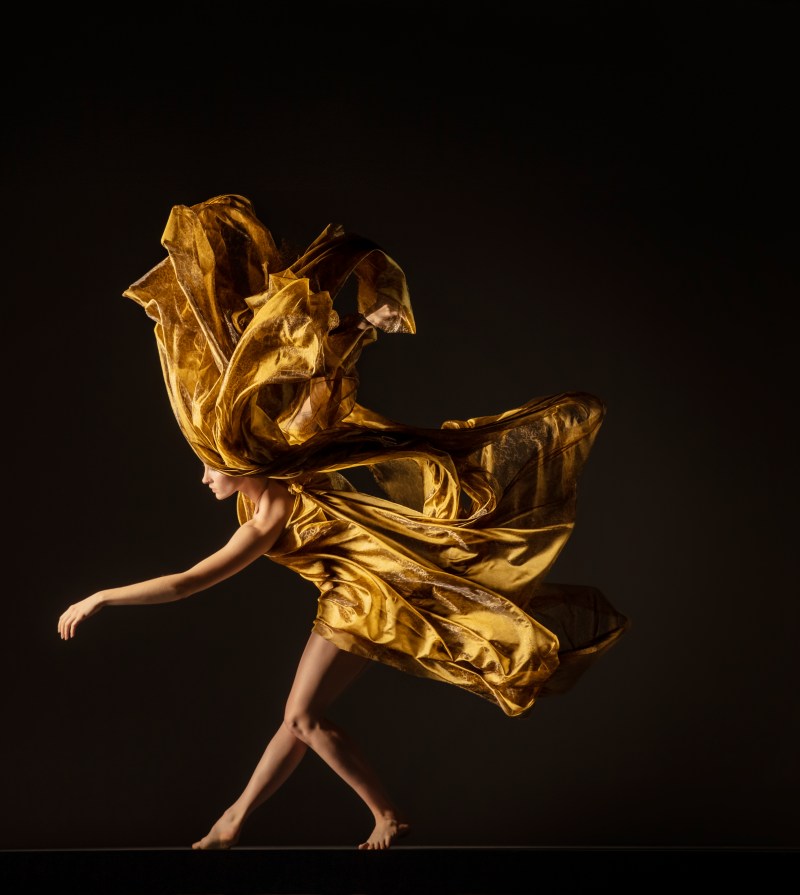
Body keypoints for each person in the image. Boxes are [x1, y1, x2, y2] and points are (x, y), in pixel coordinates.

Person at [58, 194, 629, 851]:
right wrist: (362, 327)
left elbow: (189, 582)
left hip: (365, 598)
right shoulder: (284, 464)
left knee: (300, 715)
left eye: (211, 467)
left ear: (240, 466)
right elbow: (316, 388)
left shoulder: (269, 510)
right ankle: (233, 821)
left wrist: (102, 595)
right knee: (299, 717)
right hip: (358, 593)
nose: (204, 477)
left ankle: (382, 815)